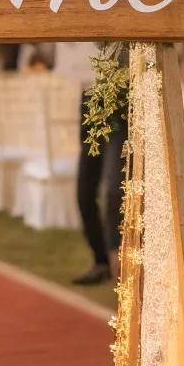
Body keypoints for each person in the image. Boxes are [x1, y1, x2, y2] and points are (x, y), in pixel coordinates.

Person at [55, 42, 128, 285]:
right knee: (84, 192)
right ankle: (101, 260)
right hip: (91, 98)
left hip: (120, 98)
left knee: (113, 190)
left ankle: (117, 256)